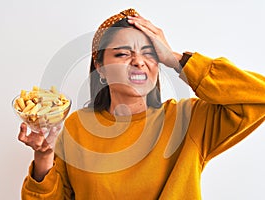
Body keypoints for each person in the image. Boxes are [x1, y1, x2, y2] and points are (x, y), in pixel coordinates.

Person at [18, 8, 265, 200]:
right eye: (123, 53)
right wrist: (44, 156)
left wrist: (177, 59)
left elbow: (260, 96)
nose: (139, 61)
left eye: (150, 53)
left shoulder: (189, 120)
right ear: (101, 68)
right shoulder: (76, 127)